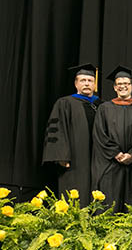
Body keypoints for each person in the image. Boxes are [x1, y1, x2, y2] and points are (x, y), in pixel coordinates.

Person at [43, 63, 102, 206]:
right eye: (83, 80)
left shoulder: (102, 105)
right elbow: (57, 129)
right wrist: (61, 156)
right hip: (75, 159)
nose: (87, 84)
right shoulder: (65, 103)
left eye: (90, 81)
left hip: (98, 159)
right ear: (76, 84)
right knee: (75, 193)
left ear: (95, 84)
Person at [91, 65, 132, 212]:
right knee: (109, 205)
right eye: (119, 84)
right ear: (114, 87)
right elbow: (100, 134)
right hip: (110, 165)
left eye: (126, 83)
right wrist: (117, 154)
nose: (123, 87)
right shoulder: (104, 108)